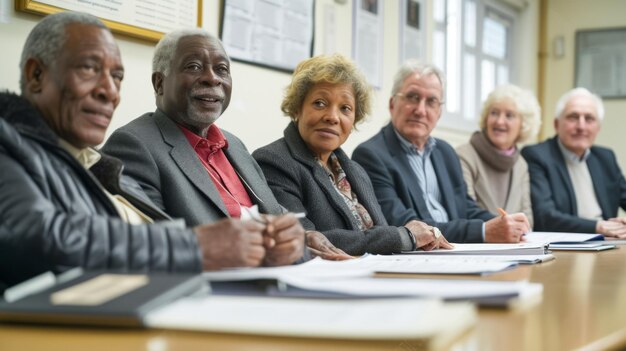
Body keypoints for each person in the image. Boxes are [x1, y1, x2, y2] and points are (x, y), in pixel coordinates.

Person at [0, 12, 280, 290]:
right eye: (88, 68)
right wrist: (196, 246)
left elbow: (144, 239)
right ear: (36, 75)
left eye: (117, 76)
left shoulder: (93, 164)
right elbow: (38, 239)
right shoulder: (9, 144)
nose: (109, 91)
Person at [102, 29, 343, 263]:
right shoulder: (134, 144)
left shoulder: (234, 146)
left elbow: (279, 219)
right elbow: (154, 248)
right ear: (159, 83)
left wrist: (303, 236)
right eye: (194, 66)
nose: (212, 78)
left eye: (222, 69)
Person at [252, 55, 451, 256]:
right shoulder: (274, 161)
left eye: (345, 108)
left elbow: (380, 232)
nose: (332, 117)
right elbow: (305, 240)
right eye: (320, 103)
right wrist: (404, 237)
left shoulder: (355, 171)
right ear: (297, 108)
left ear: (355, 118)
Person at [352, 60, 531, 243]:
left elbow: (465, 209)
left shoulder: (445, 152)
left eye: (431, 101)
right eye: (413, 97)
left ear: (439, 112)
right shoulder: (370, 155)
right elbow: (403, 224)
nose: (420, 110)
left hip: (458, 253)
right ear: (392, 104)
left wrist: (503, 223)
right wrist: (483, 231)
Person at [521, 88, 626, 237]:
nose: (581, 126)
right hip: (566, 246)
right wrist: (599, 226)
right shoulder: (536, 155)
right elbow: (545, 217)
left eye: (589, 119)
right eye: (573, 117)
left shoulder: (605, 157)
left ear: (598, 128)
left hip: (609, 241)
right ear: (557, 124)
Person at [456, 84, 540, 228]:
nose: (499, 121)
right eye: (494, 113)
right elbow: (464, 212)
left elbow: (528, 220)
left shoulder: (521, 164)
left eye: (509, 115)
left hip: (517, 246)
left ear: (523, 125)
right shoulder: (464, 155)